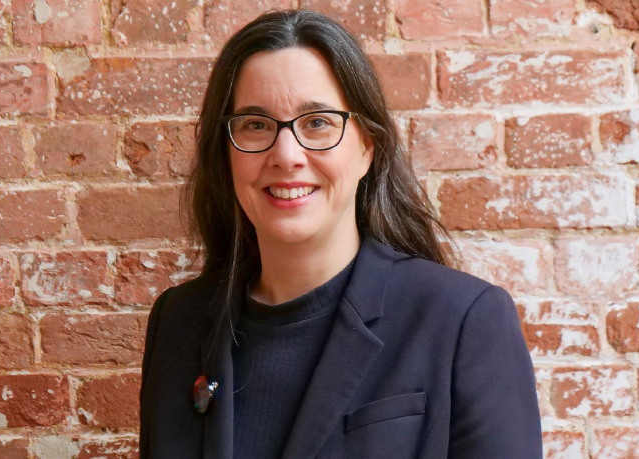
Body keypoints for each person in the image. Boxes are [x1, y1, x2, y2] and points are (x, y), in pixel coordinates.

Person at [139, 9, 542, 459]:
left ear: (367, 147)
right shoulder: (179, 323)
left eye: (317, 123)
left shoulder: (461, 320)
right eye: (255, 125)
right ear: (226, 152)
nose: (286, 154)